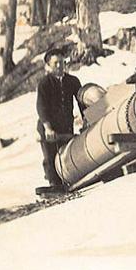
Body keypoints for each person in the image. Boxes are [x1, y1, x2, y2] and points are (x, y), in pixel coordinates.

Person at [36, 48, 85, 190]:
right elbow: (41, 107)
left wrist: (87, 119)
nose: (60, 66)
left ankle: (70, 181)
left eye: (62, 62)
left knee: (68, 155)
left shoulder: (73, 81)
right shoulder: (44, 83)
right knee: (50, 158)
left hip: (66, 125)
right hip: (48, 127)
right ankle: (54, 186)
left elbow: (81, 101)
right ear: (48, 66)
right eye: (56, 63)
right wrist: (48, 127)